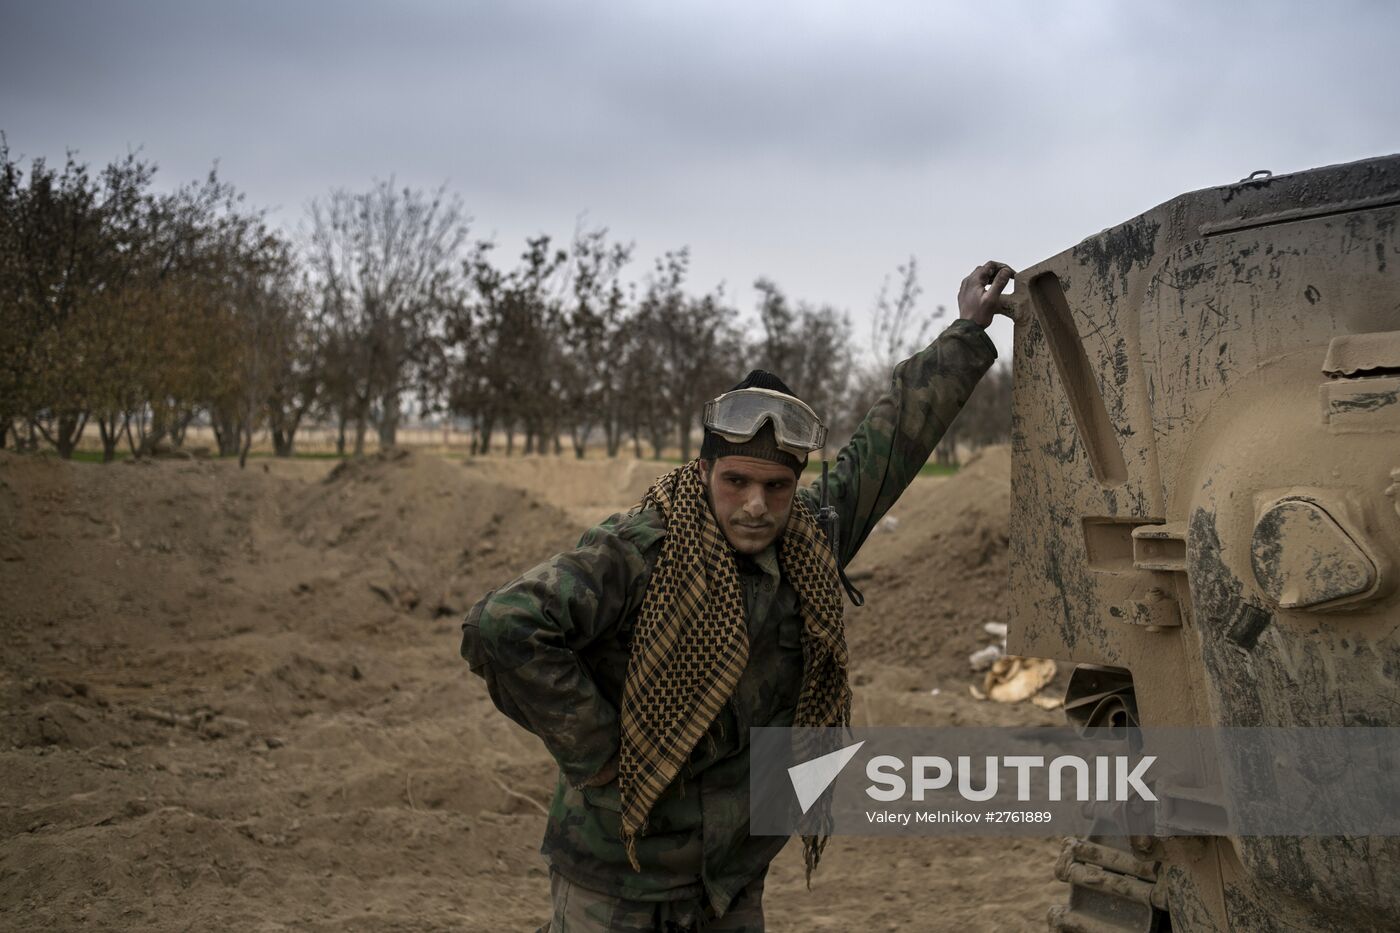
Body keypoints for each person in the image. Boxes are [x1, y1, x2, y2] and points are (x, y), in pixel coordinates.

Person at [461, 261, 1014, 931]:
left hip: (728, 880)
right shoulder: (636, 553)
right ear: (703, 471)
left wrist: (966, 329)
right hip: (618, 879)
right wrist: (601, 750)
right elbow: (504, 624)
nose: (756, 505)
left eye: (776, 487)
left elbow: (891, 440)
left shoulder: (810, 540)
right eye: (737, 482)